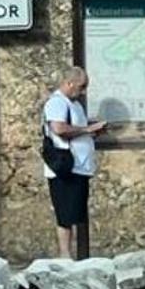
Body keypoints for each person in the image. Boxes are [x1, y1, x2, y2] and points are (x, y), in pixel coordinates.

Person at [43, 66, 105, 259]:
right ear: (69, 83)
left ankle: (76, 255)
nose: (83, 91)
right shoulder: (57, 103)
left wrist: (91, 130)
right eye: (81, 86)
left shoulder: (74, 104)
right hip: (65, 166)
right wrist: (87, 130)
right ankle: (65, 255)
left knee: (76, 211)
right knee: (65, 214)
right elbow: (59, 128)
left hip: (79, 166)